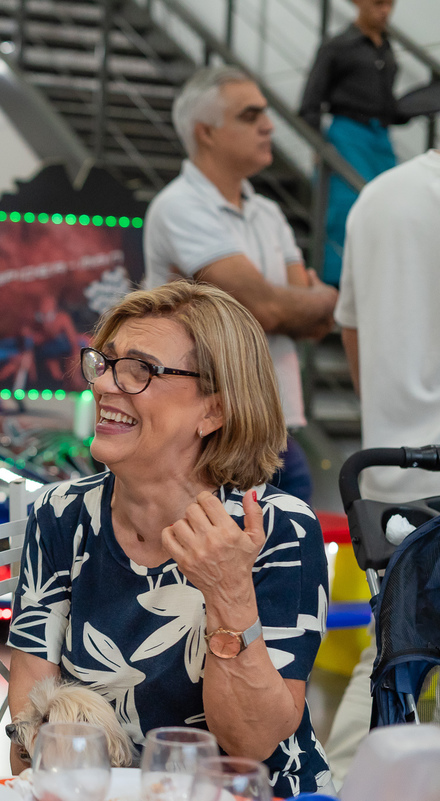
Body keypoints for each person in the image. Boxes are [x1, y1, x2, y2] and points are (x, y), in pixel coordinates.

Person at [7, 282, 333, 797]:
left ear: (215, 411)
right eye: (107, 362)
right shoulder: (62, 514)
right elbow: (29, 736)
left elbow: (252, 742)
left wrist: (228, 592)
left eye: (141, 369)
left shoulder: (276, 530)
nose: (107, 386)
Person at [144, 65, 339, 505]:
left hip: (277, 427)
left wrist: (302, 306)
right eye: (250, 116)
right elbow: (269, 310)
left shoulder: (267, 211)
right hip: (211, 433)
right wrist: (319, 297)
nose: (269, 126)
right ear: (206, 132)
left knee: (289, 567)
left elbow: (313, 323)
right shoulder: (180, 207)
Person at [324, 148, 440, 786]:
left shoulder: (378, 198)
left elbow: (352, 330)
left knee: (394, 652)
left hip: (393, 473)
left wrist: (396, 426)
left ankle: (346, 784)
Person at [299, 0, 401, 286]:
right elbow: (310, 101)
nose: (385, 11)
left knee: (387, 207)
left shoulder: (387, 46)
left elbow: (386, 102)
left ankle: (376, 281)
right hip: (347, 134)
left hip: (380, 137)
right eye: (378, 3)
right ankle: (335, 284)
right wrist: (318, 144)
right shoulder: (337, 45)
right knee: (346, 209)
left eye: (390, 4)